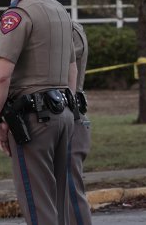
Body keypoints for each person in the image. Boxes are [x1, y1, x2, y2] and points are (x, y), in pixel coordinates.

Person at [0, 0, 78, 224]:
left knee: (38, 206)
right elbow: (72, 69)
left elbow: (2, 74)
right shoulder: (60, 12)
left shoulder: (17, 15)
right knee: (58, 202)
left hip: (33, 119)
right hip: (63, 113)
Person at [66, 19, 92, 225]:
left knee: (70, 193)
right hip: (67, 116)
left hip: (68, 115)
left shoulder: (66, 26)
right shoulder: (66, 23)